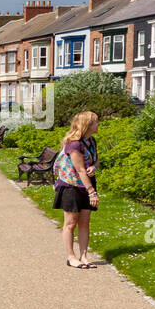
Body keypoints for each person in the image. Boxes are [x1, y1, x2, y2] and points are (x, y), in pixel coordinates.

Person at [53, 110, 101, 268]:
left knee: (85, 222)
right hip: (71, 186)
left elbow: (95, 161)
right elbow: (80, 169)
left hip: (86, 184)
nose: (98, 124)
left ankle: (84, 256)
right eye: (96, 122)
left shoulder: (91, 141)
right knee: (71, 223)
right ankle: (71, 257)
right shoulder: (74, 144)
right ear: (87, 124)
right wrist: (92, 192)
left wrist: (94, 166)